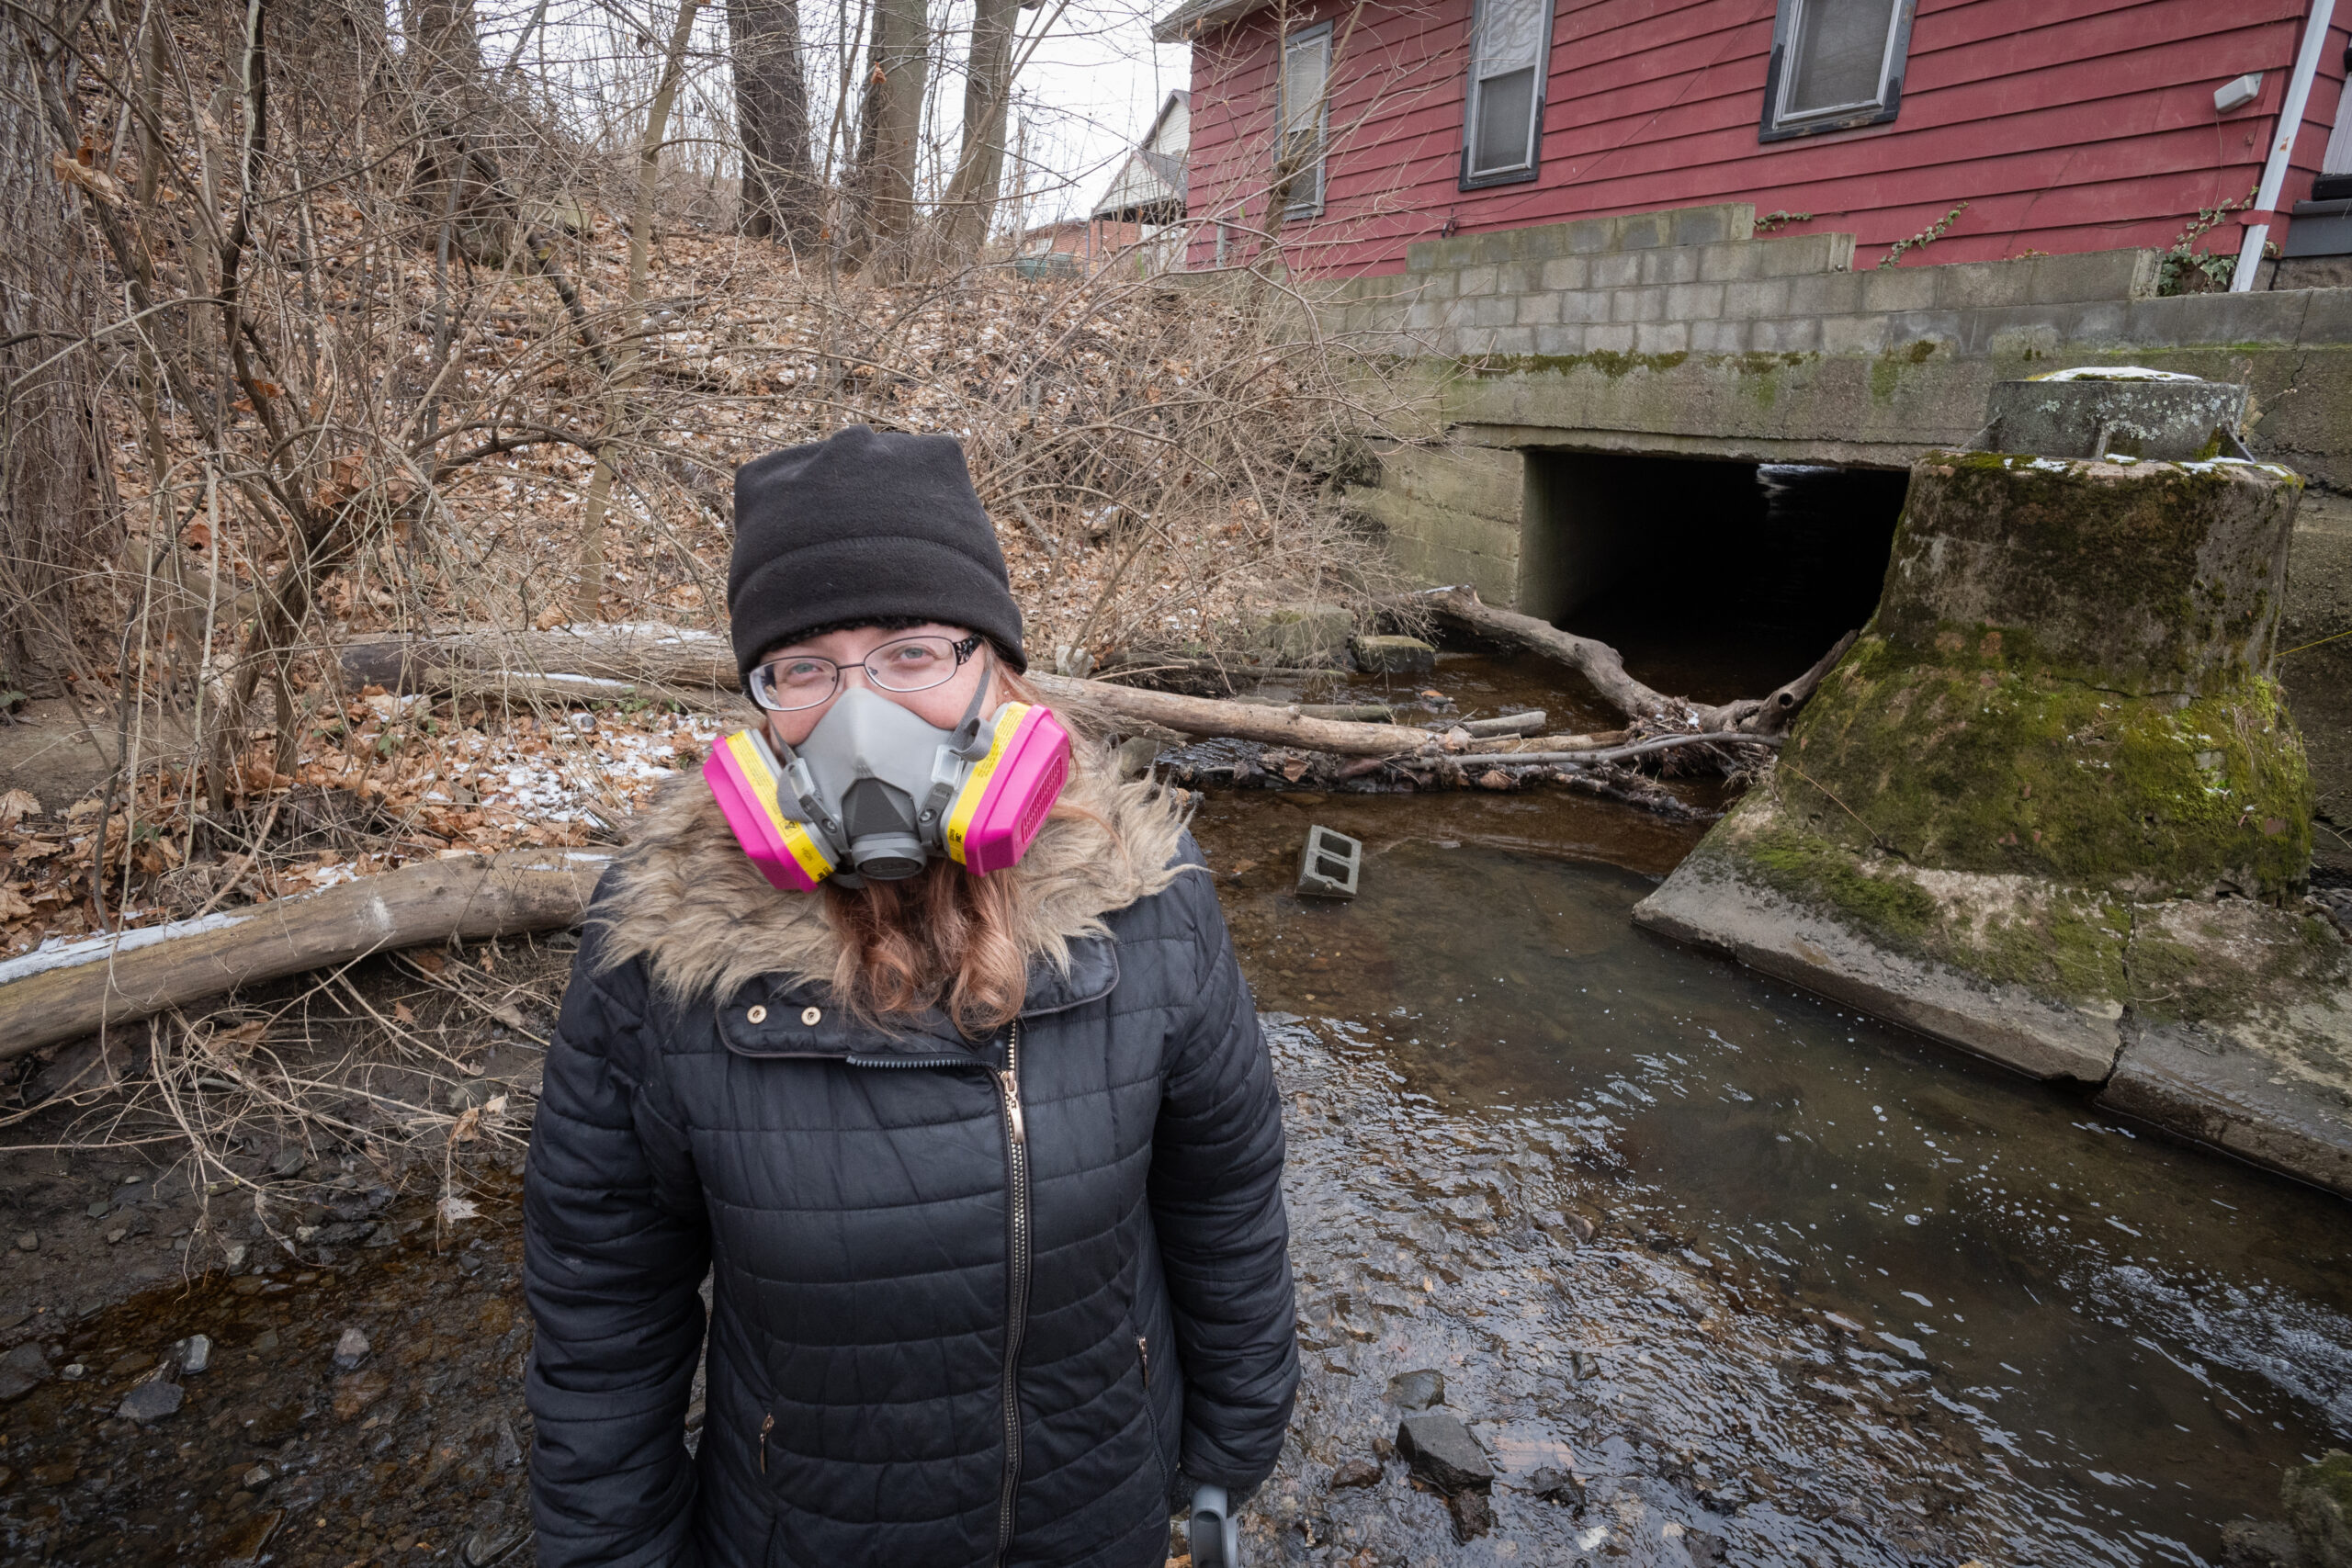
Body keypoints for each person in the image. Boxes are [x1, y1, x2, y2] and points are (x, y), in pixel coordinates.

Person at [522, 424, 1298, 1568]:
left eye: (910, 651)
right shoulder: (661, 952)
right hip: (807, 1531)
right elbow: (602, 1303)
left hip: (1099, 1509)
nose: (858, 712)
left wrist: (1228, 1453)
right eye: (804, 668)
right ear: (762, 708)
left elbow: (1223, 1204)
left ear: (994, 669)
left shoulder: (1150, 897)